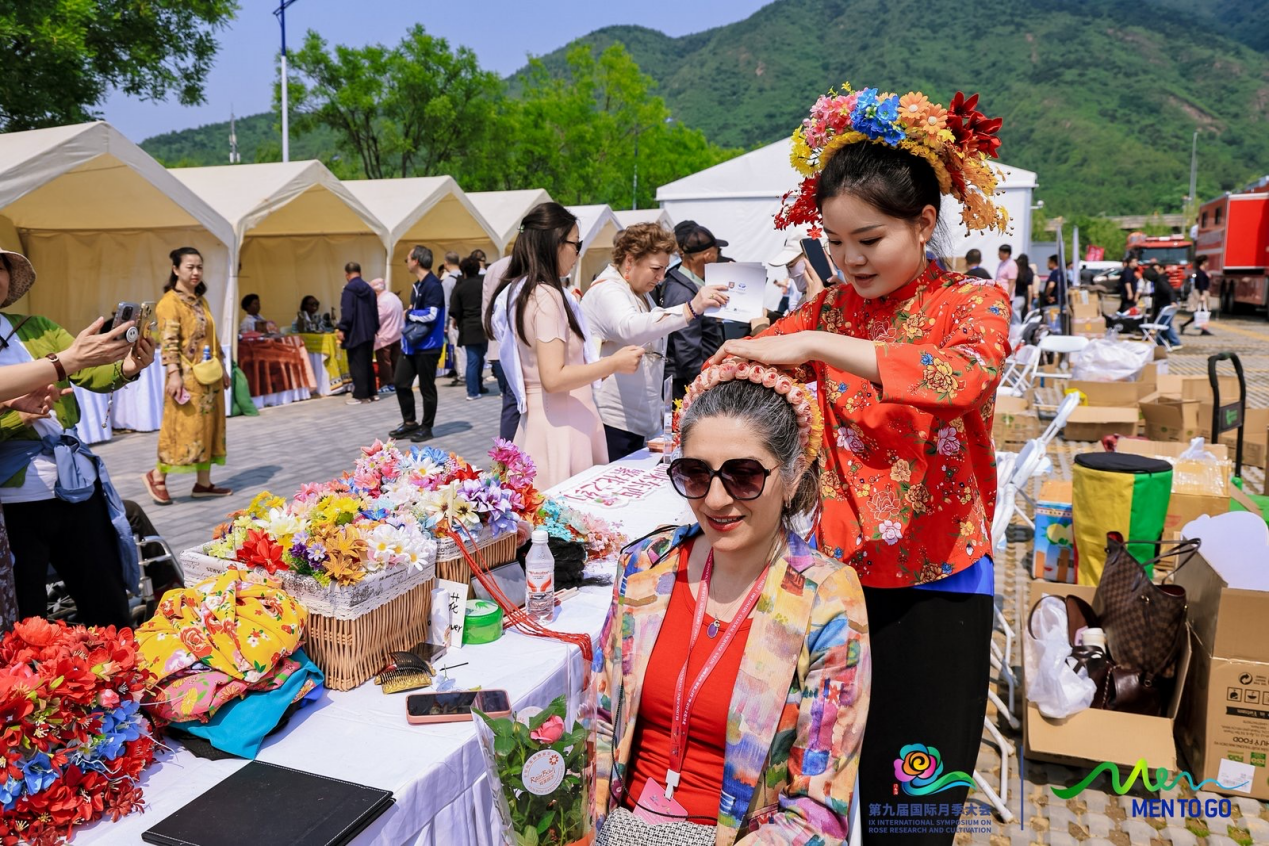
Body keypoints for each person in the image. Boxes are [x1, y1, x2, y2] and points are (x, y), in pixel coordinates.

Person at [710, 83, 1011, 845]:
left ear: (924, 222)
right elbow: (755, 365)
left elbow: (962, 378)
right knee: (822, 782)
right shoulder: (833, 308)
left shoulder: (971, 303)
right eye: (833, 242)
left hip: (938, 581)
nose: (847, 260)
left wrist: (812, 346)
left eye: (868, 240)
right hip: (837, 581)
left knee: (912, 802)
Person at [589, 372, 869, 843]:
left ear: (794, 474)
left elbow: (818, 812)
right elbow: (598, 720)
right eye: (696, 474)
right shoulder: (647, 566)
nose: (716, 500)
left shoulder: (826, 599)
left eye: (744, 476)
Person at [0, 250, 147, 632]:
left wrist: (128, 366)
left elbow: (89, 371)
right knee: (28, 625)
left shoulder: (36, 327)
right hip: (13, 503)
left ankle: (118, 683)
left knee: (107, 605)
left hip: (76, 488)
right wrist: (19, 416)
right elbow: (70, 362)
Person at [487, 202, 643, 489]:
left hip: (554, 420)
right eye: (576, 243)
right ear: (554, 243)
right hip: (560, 425)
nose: (577, 252)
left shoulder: (526, 291)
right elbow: (553, 377)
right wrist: (613, 363)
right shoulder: (546, 296)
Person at [583, 224, 729, 460]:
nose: (661, 277)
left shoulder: (637, 291)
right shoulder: (608, 290)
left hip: (638, 420)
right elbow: (629, 327)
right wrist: (690, 308)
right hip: (614, 422)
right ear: (629, 261)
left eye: (664, 269)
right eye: (655, 269)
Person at [143, 247, 232, 506]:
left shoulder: (199, 300)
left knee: (208, 428)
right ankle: (157, 475)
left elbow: (212, 339)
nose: (195, 272)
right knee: (180, 429)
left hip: (209, 376)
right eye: (190, 267)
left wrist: (223, 368)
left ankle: (203, 483)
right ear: (175, 269)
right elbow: (168, 341)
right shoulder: (169, 302)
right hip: (186, 378)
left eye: (199, 267)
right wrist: (173, 374)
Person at [658, 222, 727, 400]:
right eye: (716, 253)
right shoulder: (683, 291)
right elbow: (687, 349)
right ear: (708, 255)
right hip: (684, 384)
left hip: (686, 378)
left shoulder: (685, 284)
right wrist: (701, 384)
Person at [392, 246, 445, 442]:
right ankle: (409, 423)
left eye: (407, 259)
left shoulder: (433, 285)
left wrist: (409, 313)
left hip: (429, 345)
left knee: (426, 387)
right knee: (400, 382)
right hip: (413, 344)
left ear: (416, 261)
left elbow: (432, 314)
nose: (406, 262)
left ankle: (427, 426)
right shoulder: (418, 285)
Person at [482, 255, 519, 441]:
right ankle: (509, 457)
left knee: (510, 402)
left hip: (497, 345)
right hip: (516, 349)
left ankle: (507, 456)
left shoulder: (493, 267)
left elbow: (485, 311)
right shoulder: (528, 262)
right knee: (515, 404)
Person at [336, 261, 380, 406]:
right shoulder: (369, 289)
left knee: (356, 363)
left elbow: (347, 312)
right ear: (360, 273)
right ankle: (372, 392)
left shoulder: (349, 290)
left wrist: (342, 328)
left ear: (346, 275)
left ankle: (361, 395)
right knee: (367, 362)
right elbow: (375, 311)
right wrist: (375, 328)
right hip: (369, 331)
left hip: (355, 331)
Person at [449, 255, 489, 401]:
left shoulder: (460, 287)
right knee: (480, 358)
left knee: (473, 359)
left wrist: (455, 320)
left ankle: (473, 391)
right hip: (484, 325)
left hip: (468, 326)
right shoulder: (483, 284)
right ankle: (478, 385)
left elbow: (455, 309)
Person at [371, 278, 402, 394]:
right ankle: (396, 383)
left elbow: (377, 319)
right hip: (397, 334)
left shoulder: (381, 301)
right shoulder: (393, 297)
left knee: (385, 362)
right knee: (395, 360)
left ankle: (387, 384)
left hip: (385, 336)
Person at [439, 251, 462, 384]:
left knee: (456, 348)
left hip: (452, 319)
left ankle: (461, 374)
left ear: (446, 263)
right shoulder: (464, 277)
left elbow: (446, 303)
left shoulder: (447, 281)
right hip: (465, 317)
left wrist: (444, 324)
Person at [1148, 261, 1181, 348]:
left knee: (1164, 324)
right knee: (1163, 323)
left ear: (1162, 269)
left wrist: (1173, 301)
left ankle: (1175, 342)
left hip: (1168, 305)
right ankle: (1160, 343)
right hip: (1164, 304)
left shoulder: (1161, 280)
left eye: (1157, 269)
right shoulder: (1158, 280)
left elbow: (1170, 291)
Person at [1180, 254, 1213, 336]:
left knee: (1201, 311)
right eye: (1207, 261)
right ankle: (1203, 329)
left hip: (1201, 292)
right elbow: (1201, 284)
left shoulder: (1201, 272)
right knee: (1202, 311)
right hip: (1201, 292)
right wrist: (1202, 295)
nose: (1208, 263)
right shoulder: (1200, 272)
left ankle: (1186, 325)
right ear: (1203, 262)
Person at [1013, 252, 1034, 322]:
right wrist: (1029, 303)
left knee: (1015, 320)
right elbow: (1030, 289)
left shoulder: (1016, 270)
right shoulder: (1029, 271)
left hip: (1015, 297)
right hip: (1022, 298)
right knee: (1020, 317)